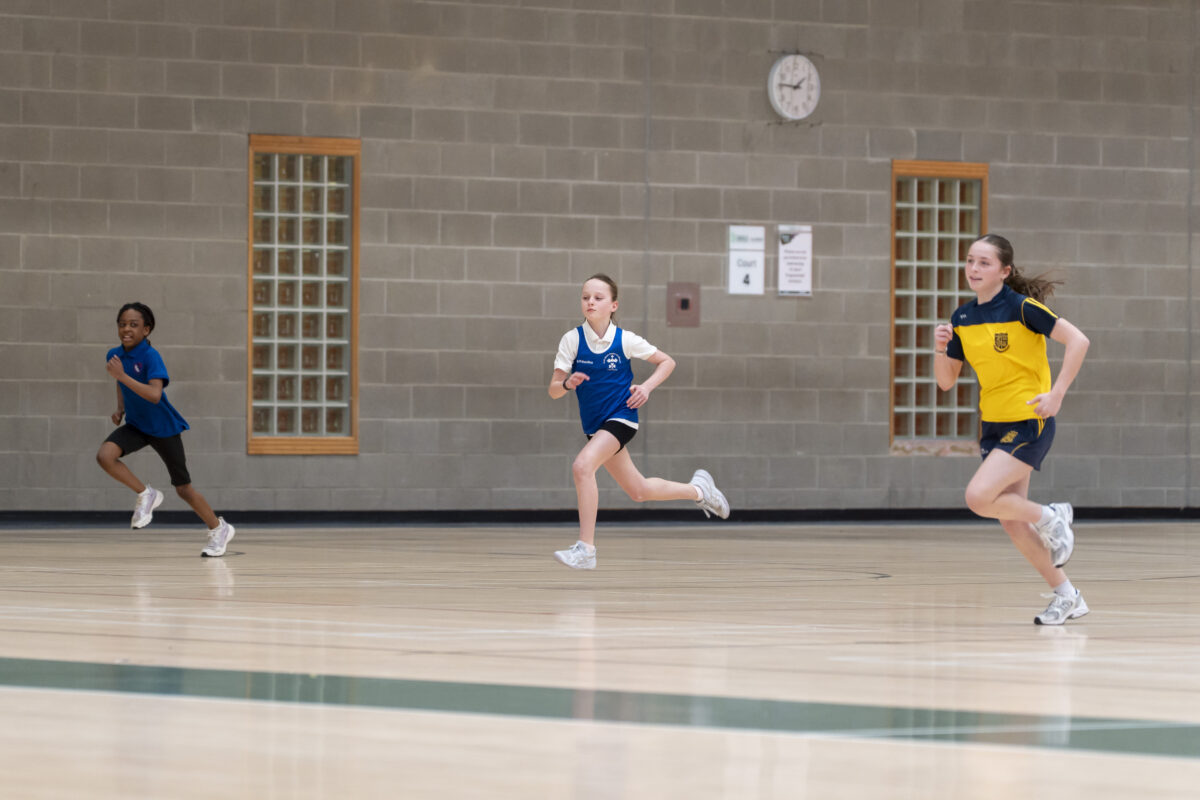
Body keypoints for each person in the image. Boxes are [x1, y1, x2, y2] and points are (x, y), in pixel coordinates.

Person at [934, 234, 1090, 625]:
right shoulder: (963, 318)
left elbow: (1078, 341)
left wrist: (1057, 393)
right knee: (1011, 520)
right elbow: (946, 381)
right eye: (970, 260)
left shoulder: (1022, 308)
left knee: (978, 497)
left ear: (1004, 271)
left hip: (1029, 419)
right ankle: (1067, 596)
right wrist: (940, 348)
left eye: (984, 262)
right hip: (993, 425)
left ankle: (1052, 515)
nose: (973, 268)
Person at [548, 274, 729, 569]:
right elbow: (554, 390)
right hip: (595, 427)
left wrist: (646, 388)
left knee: (582, 466)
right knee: (639, 491)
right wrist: (567, 384)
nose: (590, 302)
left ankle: (586, 549)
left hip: (622, 418)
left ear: (613, 305)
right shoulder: (572, 340)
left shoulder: (625, 340)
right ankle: (699, 491)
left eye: (598, 297)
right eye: (585, 297)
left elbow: (667, 361)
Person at [96, 302, 236, 557]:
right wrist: (120, 407)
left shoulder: (151, 356)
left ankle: (219, 528)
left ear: (146, 330)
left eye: (133, 325)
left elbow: (154, 394)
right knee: (105, 456)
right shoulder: (114, 355)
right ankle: (146, 494)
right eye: (122, 324)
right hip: (137, 425)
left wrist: (123, 376)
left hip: (163, 428)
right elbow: (120, 383)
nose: (126, 329)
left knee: (183, 489)